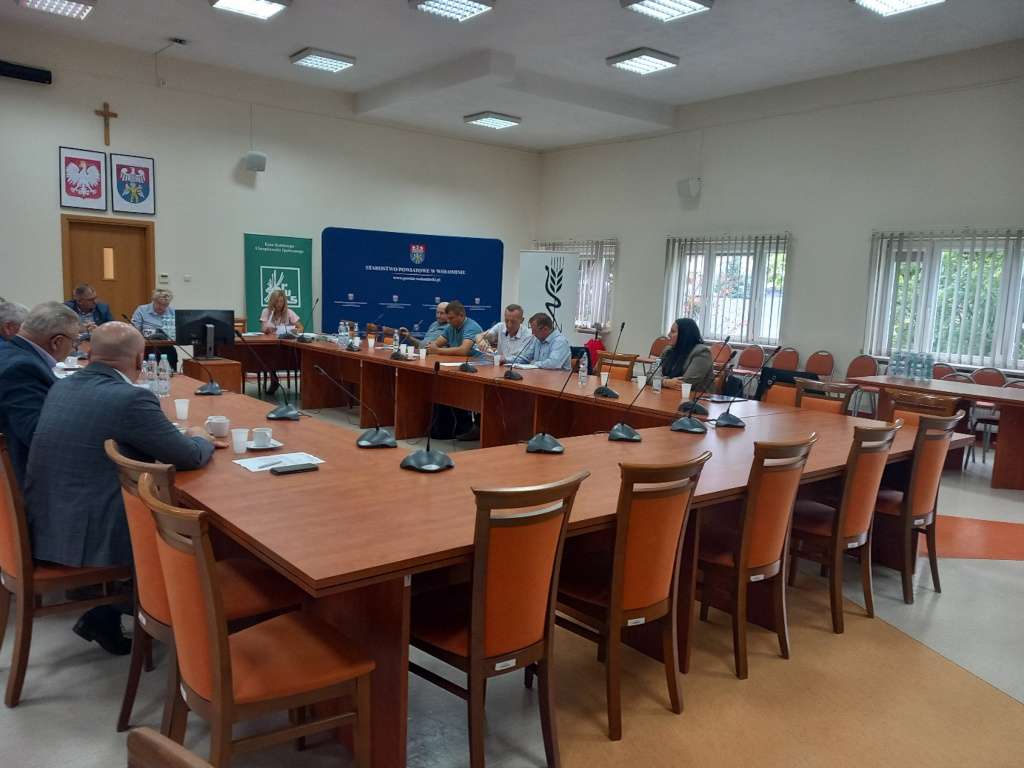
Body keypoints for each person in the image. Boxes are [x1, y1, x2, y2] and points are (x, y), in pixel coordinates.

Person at [23, 322, 222, 656]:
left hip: (47, 519)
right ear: (141, 361)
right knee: (187, 534)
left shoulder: (62, 386)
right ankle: (178, 617)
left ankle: (105, 614)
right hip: (87, 532)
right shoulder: (131, 398)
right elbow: (187, 458)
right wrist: (200, 436)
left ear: (89, 354)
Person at [0, 302, 79, 489]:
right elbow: (36, 434)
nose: (73, 349)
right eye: (74, 342)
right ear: (56, 342)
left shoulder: (9, 352)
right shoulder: (21, 367)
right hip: (27, 478)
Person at [659, 318, 715, 392]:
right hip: (670, 394)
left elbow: (687, 382)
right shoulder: (668, 350)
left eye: (673, 331)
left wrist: (661, 381)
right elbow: (650, 375)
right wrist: (666, 382)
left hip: (696, 397)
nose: (668, 334)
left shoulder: (701, 352)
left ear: (684, 334)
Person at [131, 287, 178, 370]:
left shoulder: (172, 311)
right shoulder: (142, 310)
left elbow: (177, 330)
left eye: (165, 305)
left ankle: (171, 373)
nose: (161, 307)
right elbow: (134, 329)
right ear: (153, 300)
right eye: (159, 303)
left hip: (166, 346)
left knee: (172, 353)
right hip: (146, 346)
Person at [507, 312, 572, 371]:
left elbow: (552, 364)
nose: (532, 333)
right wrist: (506, 360)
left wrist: (535, 363)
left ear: (545, 329)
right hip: (539, 376)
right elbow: (526, 358)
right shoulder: (537, 340)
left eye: (535, 330)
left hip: (558, 379)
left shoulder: (559, 342)